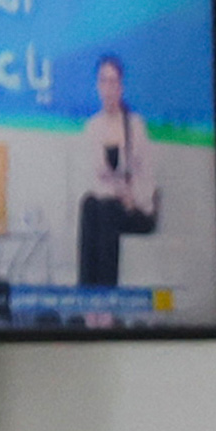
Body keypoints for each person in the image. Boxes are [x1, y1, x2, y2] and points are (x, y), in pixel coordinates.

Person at [74, 53, 161, 295]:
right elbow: (93, 178)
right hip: (109, 204)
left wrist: (133, 198)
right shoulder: (93, 127)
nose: (109, 88)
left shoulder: (135, 125)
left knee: (107, 209)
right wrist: (114, 191)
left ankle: (107, 300)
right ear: (97, 86)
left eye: (113, 82)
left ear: (121, 86)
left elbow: (147, 176)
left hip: (137, 209)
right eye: (104, 81)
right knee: (90, 204)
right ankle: (87, 298)